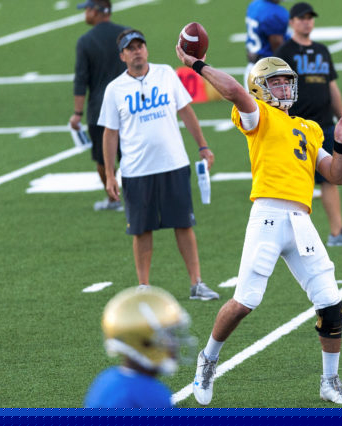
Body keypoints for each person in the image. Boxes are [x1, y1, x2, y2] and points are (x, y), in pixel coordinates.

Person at [175, 45, 342, 405]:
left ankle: (330, 381)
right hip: (268, 215)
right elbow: (234, 91)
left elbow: (336, 176)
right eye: (275, 82)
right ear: (259, 88)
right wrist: (197, 64)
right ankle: (208, 358)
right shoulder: (257, 115)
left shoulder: (309, 127)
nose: (283, 87)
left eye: (285, 82)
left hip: (301, 222)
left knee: (331, 302)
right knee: (245, 301)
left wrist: (340, 145)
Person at [98, 29, 219, 300]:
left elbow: (185, 110)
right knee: (141, 229)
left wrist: (203, 146)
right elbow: (110, 133)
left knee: (184, 224)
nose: (137, 51)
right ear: (122, 56)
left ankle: (197, 283)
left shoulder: (166, 74)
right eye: (131, 48)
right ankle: (144, 286)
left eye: (140, 46)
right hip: (136, 170)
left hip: (174, 164)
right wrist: (110, 174)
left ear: (146, 49)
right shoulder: (115, 89)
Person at [275, 2, 342, 247]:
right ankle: (290, 234)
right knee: (296, 180)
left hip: (325, 125)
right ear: (292, 22)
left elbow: (331, 85)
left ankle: (337, 232)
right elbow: (278, 89)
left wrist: (341, 118)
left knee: (330, 179)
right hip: (297, 127)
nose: (307, 21)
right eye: (302, 18)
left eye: (310, 17)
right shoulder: (285, 52)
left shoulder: (321, 50)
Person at [84, 286, 197, 407]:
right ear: (145, 343)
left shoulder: (106, 378)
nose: (173, 343)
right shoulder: (151, 395)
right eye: (168, 335)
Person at [70, 0, 127, 212]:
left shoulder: (85, 41)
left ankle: (113, 199)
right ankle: (139, 197)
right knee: (133, 155)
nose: (85, 13)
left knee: (104, 159)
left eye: (87, 9)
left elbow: (81, 79)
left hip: (99, 109)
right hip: (129, 105)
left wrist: (77, 113)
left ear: (96, 11)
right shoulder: (127, 35)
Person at [244, 0, 290, 90]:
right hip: (269, 72)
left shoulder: (255, 4)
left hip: (253, 67)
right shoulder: (274, 13)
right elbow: (278, 47)